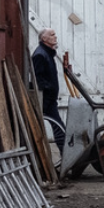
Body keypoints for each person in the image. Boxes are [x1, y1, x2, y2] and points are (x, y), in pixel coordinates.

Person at [31, 28, 66, 160]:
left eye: (55, 34)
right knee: (59, 128)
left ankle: (66, 157)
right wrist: (49, 87)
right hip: (46, 100)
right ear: (44, 39)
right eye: (52, 35)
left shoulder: (47, 53)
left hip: (50, 99)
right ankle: (66, 157)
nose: (55, 37)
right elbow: (37, 78)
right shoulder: (40, 55)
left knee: (59, 128)